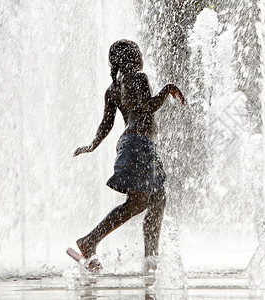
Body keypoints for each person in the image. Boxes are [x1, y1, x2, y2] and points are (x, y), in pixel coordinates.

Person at [73, 39, 185, 271]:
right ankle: (90, 240)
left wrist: (93, 145)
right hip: (140, 144)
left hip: (131, 143)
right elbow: (147, 106)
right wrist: (167, 89)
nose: (142, 57)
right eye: (138, 53)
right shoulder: (139, 78)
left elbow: (106, 124)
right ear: (132, 58)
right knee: (138, 201)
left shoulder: (112, 89)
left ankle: (151, 258)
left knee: (157, 199)